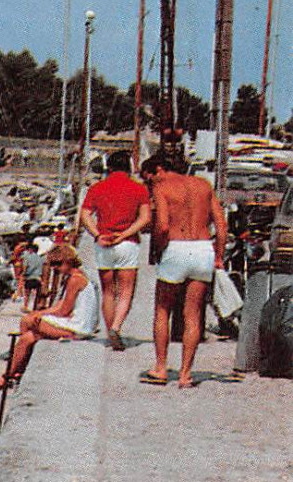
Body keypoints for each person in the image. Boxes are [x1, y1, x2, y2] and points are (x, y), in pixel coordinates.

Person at [143, 151, 226, 389]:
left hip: (176, 247)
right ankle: (185, 375)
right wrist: (218, 256)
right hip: (202, 248)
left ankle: (160, 368)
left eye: (150, 179)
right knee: (193, 313)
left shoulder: (163, 188)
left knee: (162, 308)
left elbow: (163, 225)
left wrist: (160, 249)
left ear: (160, 170)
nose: (150, 184)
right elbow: (221, 225)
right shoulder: (204, 185)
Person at [0, 244, 100, 392]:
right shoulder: (75, 276)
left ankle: (13, 370)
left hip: (79, 328)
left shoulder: (75, 279)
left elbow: (63, 311)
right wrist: (39, 313)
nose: (55, 268)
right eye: (53, 264)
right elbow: (61, 305)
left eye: (58, 264)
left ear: (69, 261)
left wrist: (39, 315)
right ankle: (13, 373)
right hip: (78, 324)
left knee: (27, 321)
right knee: (26, 338)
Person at [79, 149, 151, 351]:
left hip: (104, 243)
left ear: (108, 168)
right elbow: (145, 218)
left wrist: (97, 234)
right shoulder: (139, 189)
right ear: (129, 167)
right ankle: (117, 327)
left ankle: (110, 332)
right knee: (126, 291)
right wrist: (126, 233)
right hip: (127, 243)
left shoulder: (97, 188)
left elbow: (85, 216)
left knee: (108, 291)